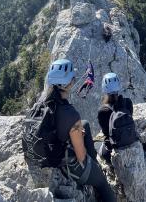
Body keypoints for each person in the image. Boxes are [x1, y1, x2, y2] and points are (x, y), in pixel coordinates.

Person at [45, 59, 116, 202]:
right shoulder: (71, 114)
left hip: (50, 147)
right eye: (73, 77)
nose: (75, 80)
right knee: (103, 183)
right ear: (69, 83)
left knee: (86, 124)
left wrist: (76, 133)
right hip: (67, 164)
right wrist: (78, 138)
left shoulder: (45, 102)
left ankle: (94, 164)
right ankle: (95, 172)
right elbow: (81, 156)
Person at [97, 73, 134, 163]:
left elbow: (106, 132)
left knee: (98, 148)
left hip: (112, 148)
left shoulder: (103, 111)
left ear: (104, 89)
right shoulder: (128, 102)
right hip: (130, 140)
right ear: (118, 87)